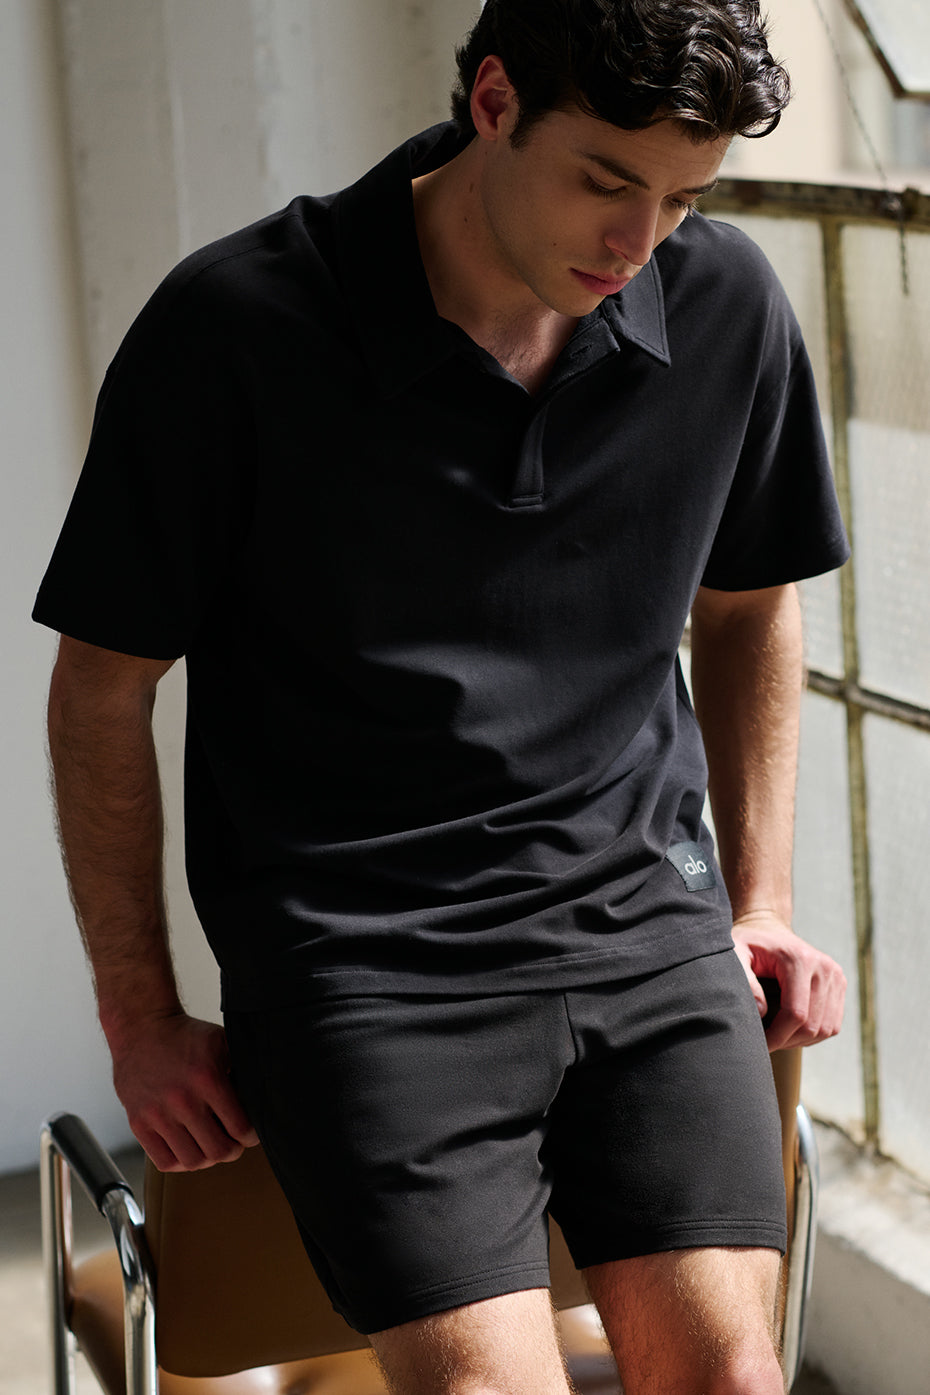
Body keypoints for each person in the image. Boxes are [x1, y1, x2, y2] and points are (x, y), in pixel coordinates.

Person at [35, 2, 850, 1391]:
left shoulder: (724, 305)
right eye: (605, 181)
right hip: (364, 961)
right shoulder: (233, 329)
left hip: (642, 929)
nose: (637, 241)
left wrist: (757, 897)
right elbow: (103, 690)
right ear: (491, 102)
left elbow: (748, 602)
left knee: (732, 1375)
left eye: (680, 199)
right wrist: (140, 1017)